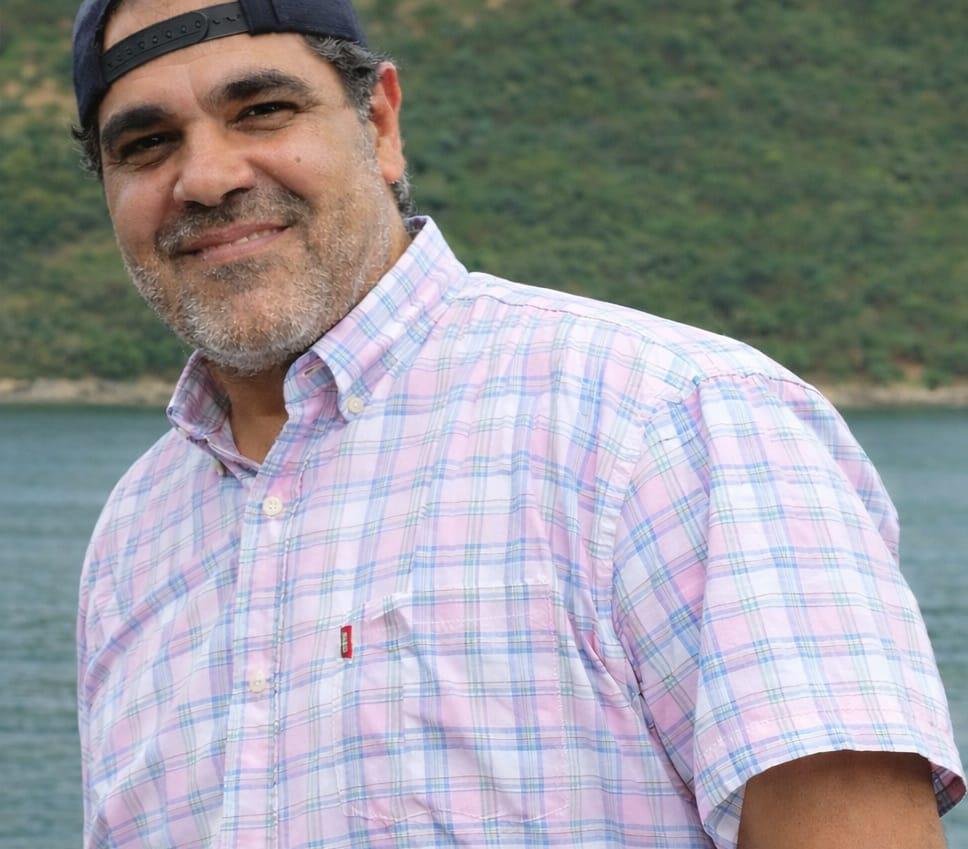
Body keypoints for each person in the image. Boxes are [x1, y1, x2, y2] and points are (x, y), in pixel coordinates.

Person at [71, 1, 965, 847]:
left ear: (379, 124)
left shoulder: (674, 423)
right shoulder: (133, 539)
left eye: (263, 111)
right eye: (147, 144)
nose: (207, 177)